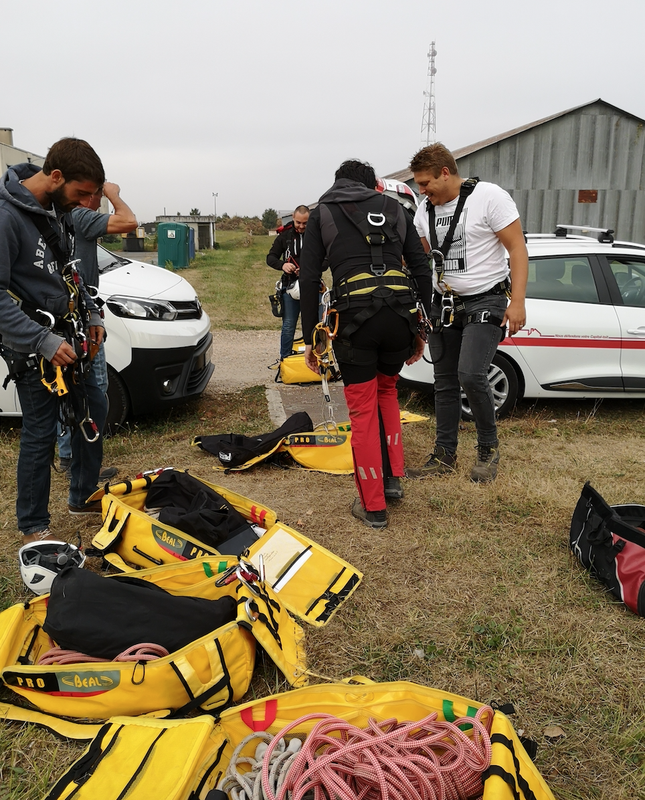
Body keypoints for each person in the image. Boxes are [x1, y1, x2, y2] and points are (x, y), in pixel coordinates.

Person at [299, 160, 433, 530]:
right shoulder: (395, 208)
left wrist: (314, 337)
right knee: (387, 391)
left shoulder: (321, 212)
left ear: (338, 183)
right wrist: (422, 325)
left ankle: (373, 507)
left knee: (361, 410)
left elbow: (310, 278)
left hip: (356, 321)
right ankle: (392, 481)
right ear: (372, 184)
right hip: (400, 318)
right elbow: (420, 267)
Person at [0, 137, 108, 545]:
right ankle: (32, 525)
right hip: (33, 346)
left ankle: (82, 495)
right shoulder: (7, 216)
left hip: (68, 335)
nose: (85, 203)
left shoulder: (53, 208)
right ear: (56, 176)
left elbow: (69, 270)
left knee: (93, 409)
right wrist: (42, 341)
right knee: (40, 431)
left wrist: (92, 313)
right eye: (81, 193)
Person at [407, 142, 528, 483]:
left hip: (485, 300)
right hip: (444, 304)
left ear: (445, 173)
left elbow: (517, 248)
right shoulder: (424, 210)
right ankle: (444, 455)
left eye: (425, 182)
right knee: (443, 382)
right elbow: (424, 257)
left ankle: (488, 451)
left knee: (472, 374)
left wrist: (516, 302)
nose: (421, 190)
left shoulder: (488, 197)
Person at [57, 182, 137, 478]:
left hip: (79, 312)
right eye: (97, 194)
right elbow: (129, 221)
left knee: (71, 389)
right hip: (80, 318)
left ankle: (70, 457)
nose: (99, 200)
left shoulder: (66, 218)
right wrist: (113, 192)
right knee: (93, 390)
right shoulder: (81, 216)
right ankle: (80, 462)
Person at [266, 205, 309, 365]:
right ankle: (285, 361)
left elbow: (326, 260)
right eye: (298, 222)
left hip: (312, 286)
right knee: (289, 325)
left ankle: (318, 360)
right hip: (289, 286)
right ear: (293, 218)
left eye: (305, 223)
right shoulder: (285, 236)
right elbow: (270, 257)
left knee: (315, 325)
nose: (301, 226)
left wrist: (309, 268)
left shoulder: (316, 235)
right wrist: (283, 265)